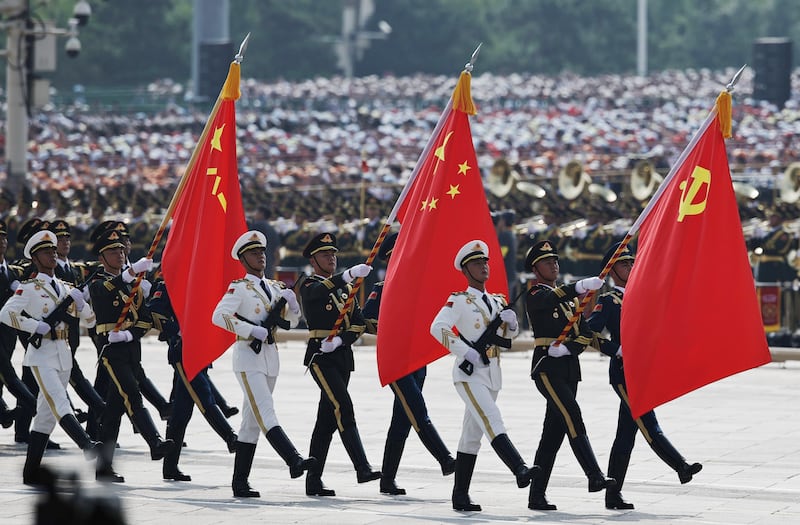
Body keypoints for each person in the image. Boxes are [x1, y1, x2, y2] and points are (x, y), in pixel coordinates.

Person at [587, 242, 702, 509]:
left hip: (643, 372)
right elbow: (589, 334)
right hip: (624, 374)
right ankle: (680, 465)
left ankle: (613, 494)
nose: (631, 267)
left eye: (631, 262)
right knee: (648, 423)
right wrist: (616, 349)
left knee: (625, 436)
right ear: (612, 271)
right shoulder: (608, 301)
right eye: (624, 264)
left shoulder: (642, 296)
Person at [429, 240, 537, 512]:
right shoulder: (459, 299)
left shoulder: (499, 300)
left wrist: (512, 323)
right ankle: (519, 468)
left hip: (492, 373)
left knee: (470, 437)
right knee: (492, 418)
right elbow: (437, 327)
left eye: (485, 262)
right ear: (466, 271)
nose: (484, 267)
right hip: (469, 375)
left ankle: (460, 496)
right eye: (477, 263)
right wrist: (465, 352)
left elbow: (506, 337)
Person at [212, 230, 315, 498]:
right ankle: (293, 459)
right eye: (254, 253)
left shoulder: (275, 287)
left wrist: (294, 306)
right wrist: (249, 330)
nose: (260, 256)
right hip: (247, 357)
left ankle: (240, 483)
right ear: (243, 259)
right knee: (266, 412)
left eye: (262, 252)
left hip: (270, 357)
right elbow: (218, 316)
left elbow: (291, 323)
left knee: (250, 423)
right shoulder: (239, 287)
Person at [0, 230, 100, 485]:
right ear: (35, 258)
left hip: (64, 354)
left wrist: (82, 303)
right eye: (47, 252)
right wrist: (34, 326)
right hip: (41, 355)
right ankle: (87, 444)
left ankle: (30, 472)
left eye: (54, 251)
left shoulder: (67, 287)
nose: (53, 255)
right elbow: (5, 314)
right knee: (59, 401)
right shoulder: (29, 288)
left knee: (45, 416)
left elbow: (90, 320)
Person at [524, 239, 615, 511]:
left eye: (555, 261)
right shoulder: (535, 294)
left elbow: (586, 333)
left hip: (567, 368)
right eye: (547, 262)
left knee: (552, 434)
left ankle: (536, 495)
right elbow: (552, 297)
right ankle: (594, 476)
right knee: (573, 415)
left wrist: (616, 351)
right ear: (536, 268)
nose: (554, 265)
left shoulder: (570, 301)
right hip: (546, 369)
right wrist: (578, 286)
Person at [362, 232, 456, 495]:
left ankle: (387, 479)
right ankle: (445, 459)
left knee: (401, 421)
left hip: (417, 362)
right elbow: (364, 320)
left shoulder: (420, 289)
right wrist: (389, 326)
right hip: (396, 360)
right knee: (416, 409)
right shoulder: (382, 289)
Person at [88, 229, 174, 483]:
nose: (119, 254)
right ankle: (155, 442)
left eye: (122, 250)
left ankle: (103, 469)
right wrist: (129, 274)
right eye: (113, 251)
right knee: (132, 395)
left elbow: (145, 319)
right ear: (102, 257)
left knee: (113, 414)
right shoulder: (96, 280)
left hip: (129, 348)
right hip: (110, 351)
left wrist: (129, 335)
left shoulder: (133, 285)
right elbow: (102, 294)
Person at [299, 232, 381, 497]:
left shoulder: (347, 290)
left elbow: (357, 322)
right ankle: (362, 466)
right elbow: (316, 295)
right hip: (320, 358)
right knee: (343, 406)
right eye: (325, 255)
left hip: (341, 356)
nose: (331, 258)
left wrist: (343, 340)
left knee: (326, 421)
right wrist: (346, 276)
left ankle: (313, 480)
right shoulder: (308, 284)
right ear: (313, 260)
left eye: (333, 254)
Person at [149, 281, 239, 482]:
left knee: (181, 413)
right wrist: (177, 330)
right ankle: (230, 437)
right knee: (203, 394)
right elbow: (154, 313)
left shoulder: (203, 281)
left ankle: (170, 467)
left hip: (200, 351)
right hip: (182, 351)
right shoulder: (168, 283)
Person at [248, 206, 281, 279]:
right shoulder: (273, 229)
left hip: (255, 265)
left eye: (256, 212)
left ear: (261, 214)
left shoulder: (256, 226)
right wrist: (274, 266)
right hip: (269, 266)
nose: (254, 214)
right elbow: (277, 251)